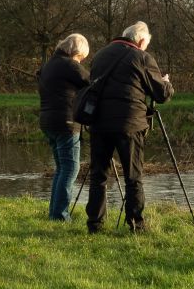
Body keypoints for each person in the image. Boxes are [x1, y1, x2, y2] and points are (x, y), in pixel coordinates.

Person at [86, 21, 174, 233]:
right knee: (133, 176)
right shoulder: (142, 57)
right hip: (129, 123)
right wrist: (166, 83)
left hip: (99, 123)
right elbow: (161, 95)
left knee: (98, 176)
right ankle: (136, 224)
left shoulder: (100, 55)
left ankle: (95, 225)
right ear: (141, 40)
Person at [38, 33, 91, 221]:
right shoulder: (69, 65)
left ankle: (54, 212)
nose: (80, 62)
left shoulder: (48, 65)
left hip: (47, 120)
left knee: (61, 168)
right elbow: (91, 82)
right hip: (65, 121)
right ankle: (60, 215)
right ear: (76, 52)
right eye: (80, 58)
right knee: (70, 168)